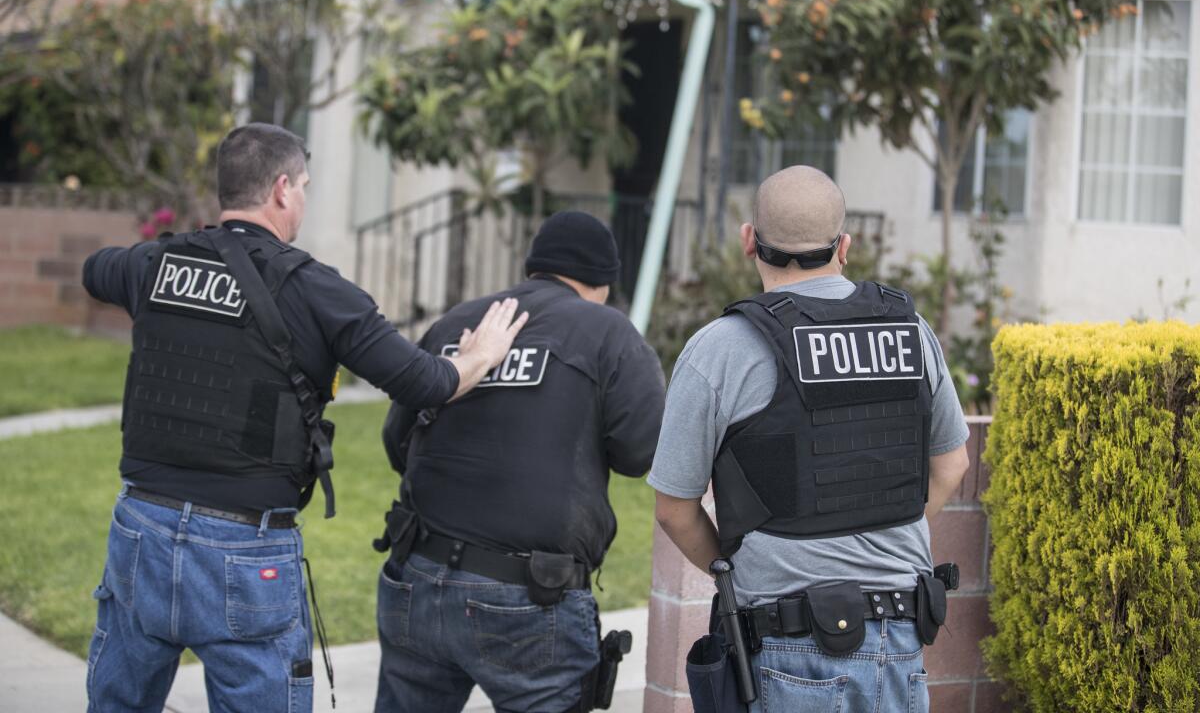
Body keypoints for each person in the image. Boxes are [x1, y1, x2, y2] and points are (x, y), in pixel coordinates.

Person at [81, 123, 527, 713]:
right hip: (244, 545)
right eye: (307, 187)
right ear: (283, 189)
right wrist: (481, 356)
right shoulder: (318, 290)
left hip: (141, 530)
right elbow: (424, 384)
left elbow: (94, 270)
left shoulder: (157, 264)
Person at [650, 166, 971, 713]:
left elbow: (675, 509)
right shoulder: (912, 334)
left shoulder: (722, 348)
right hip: (900, 642)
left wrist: (736, 571)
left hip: (789, 646)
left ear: (749, 240)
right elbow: (952, 465)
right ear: (845, 246)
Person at [374, 211, 666, 713]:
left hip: (418, 576)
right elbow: (643, 452)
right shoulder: (607, 331)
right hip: (529, 600)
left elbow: (396, 441)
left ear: (534, 267)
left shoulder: (457, 321)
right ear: (603, 281)